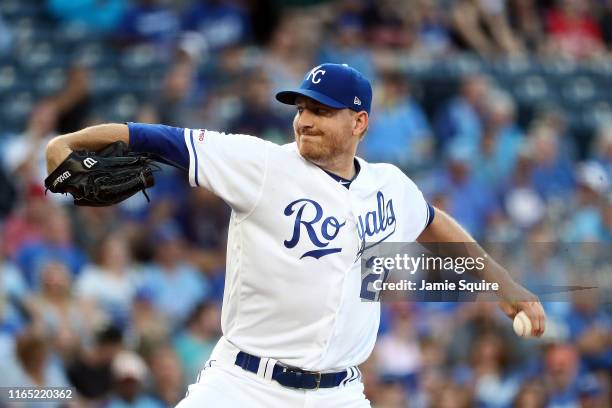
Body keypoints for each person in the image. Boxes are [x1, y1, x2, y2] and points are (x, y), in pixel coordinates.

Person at [46, 63, 546, 407]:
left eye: (322, 111)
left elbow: (432, 223)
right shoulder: (261, 164)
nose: (305, 120)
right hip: (244, 384)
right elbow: (158, 138)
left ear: (360, 122)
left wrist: (504, 284)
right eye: (301, 108)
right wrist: (67, 141)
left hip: (339, 393)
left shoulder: (389, 185)